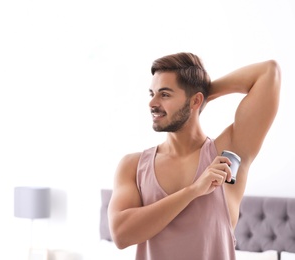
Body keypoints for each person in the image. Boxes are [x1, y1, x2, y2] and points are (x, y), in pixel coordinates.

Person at [107, 52, 281, 260]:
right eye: (151, 93)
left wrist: (204, 95)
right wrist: (193, 190)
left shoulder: (228, 154)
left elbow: (269, 72)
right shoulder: (133, 166)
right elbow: (121, 235)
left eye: (164, 94)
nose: (152, 103)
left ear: (195, 101)